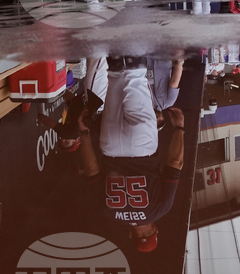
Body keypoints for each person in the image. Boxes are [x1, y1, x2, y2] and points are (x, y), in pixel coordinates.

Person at [77, 56, 185, 253]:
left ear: (154, 230)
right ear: (130, 234)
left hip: (141, 147)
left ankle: (134, 32)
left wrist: (179, 128)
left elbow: (175, 163)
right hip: (110, 147)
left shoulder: (159, 210)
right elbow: (91, 170)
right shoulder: (109, 212)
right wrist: (84, 133)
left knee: (136, 74)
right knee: (115, 74)